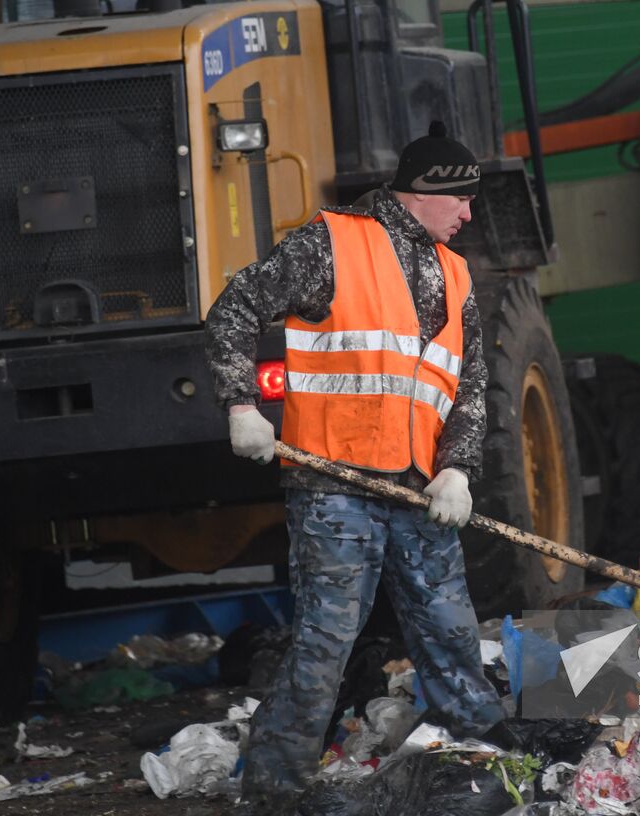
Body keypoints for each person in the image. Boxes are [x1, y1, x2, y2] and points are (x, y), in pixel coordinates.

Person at [204, 121, 507, 799]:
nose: (468, 215)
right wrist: (240, 404)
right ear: (426, 191)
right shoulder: (333, 243)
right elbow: (234, 310)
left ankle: (490, 763)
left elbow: (472, 384)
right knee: (324, 643)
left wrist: (458, 467)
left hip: (421, 489)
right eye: (461, 200)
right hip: (333, 484)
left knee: (451, 636)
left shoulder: (454, 273)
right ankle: (275, 792)